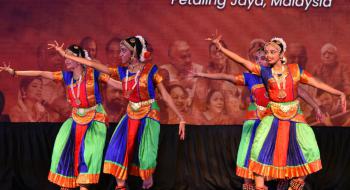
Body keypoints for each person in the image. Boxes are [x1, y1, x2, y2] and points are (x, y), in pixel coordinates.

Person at [207, 34, 346, 190]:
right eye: (267, 52)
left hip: (294, 115)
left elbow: (316, 83)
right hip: (273, 115)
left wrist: (338, 93)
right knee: (258, 148)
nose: (268, 55)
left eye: (272, 52)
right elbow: (241, 60)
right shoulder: (264, 72)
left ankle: (296, 183)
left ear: (281, 54)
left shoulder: (294, 70)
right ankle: (259, 186)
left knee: (311, 148)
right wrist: (221, 48)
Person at [49, 35, 186, 190]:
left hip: (149, 113)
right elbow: (93, 64)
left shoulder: (152, 71)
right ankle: (120, 186)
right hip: (131, 113)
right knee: (117, 150)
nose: (119, 55)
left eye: (123, 51)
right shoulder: (122, 72)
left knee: (147, 155)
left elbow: (166, 95)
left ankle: (147, 176)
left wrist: (181, 118)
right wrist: (66, 55)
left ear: (133, 53)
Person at [1, 44, 121, 190]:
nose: (65, 60)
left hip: (94, 118)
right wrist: (15, 72)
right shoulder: (67, 76)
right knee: (61, 148)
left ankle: (84, 185)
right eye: (65, 57)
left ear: (78, 59)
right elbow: (41, 72)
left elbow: (116, 83)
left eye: (68, 56)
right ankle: (67, 183)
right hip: (76, 118)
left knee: (90, 151)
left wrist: (139, 86)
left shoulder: (94, 74)